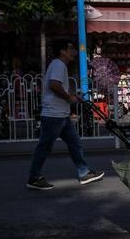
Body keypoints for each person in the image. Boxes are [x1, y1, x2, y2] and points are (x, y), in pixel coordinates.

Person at [26, 39, 104, 190]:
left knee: (75, 143)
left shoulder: (59, 65)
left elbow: (58, 86)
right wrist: (69, 98)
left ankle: (84, 172)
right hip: (54, 115)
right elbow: (54, 85)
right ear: (62, 51)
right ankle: (34, 178)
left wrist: (73, 96)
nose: (73, 51)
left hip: (61, 115)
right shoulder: (58, 64)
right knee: (44, 147)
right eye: (70, 48)